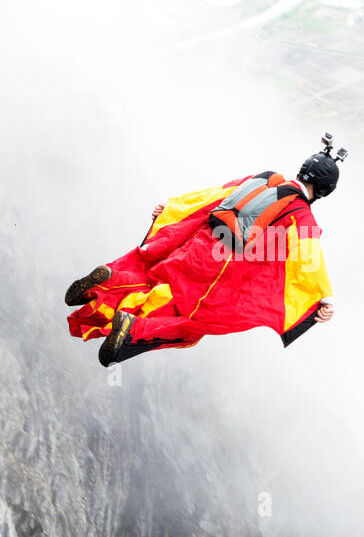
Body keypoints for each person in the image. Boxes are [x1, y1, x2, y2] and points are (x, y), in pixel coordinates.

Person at [66, 137, 346, 366]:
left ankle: (109, 281)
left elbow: (212, 195)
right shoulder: (301, 215)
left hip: (196, 243)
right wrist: (324, 300)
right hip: (216, 268)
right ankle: (133, 330)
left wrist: (172, 209)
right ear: (325, 191)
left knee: (156, 282)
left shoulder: (264, 178)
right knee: (192, 323)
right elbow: (310, 262)